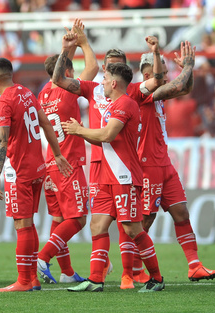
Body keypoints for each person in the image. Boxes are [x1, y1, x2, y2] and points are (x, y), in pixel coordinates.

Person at [51, 34, 165, 289]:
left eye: (103, 77)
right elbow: (58, 80)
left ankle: (156, 277)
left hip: (123, 174)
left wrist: (79, 130)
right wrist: (66, 50)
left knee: (132, 228)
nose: (99, 80)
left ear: (113, 81)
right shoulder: (102, 96)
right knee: (97, 224)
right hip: (101, 172)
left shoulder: (126, 102)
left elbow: (106, 135)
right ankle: (95, 279)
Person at [131, 42, 215, 282]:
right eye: (163, 72)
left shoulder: (159, 94)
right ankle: (135, 270)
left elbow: (183, 88)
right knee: (145, 220)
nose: (167, 75)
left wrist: (188, 71)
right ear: (148, 75)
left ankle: (194, 265)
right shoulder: (144, 93)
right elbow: (180, 84)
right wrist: (188, 67)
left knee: (181, 212)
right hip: (148, 165)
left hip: (164, 163)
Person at [0, 57, 72, 292]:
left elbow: (2, 139)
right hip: (37, 167)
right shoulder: (25, 92)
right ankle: (32, 277)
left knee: (22, 224)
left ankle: (24, 280)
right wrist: (56, 154)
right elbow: (45, 123)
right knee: (29, 224)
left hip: (20, 169)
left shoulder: (4, 102)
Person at [36, 19, 98, 284]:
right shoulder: (69, 90)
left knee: (59, 219)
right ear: (69, 73)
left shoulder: (42, 94)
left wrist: (68, 49)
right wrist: (83, 43)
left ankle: (67, 271)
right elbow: (93, 68)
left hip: (50, 162)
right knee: (78, 219)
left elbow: (60, 74)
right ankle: (42, 258)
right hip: (69, 163)